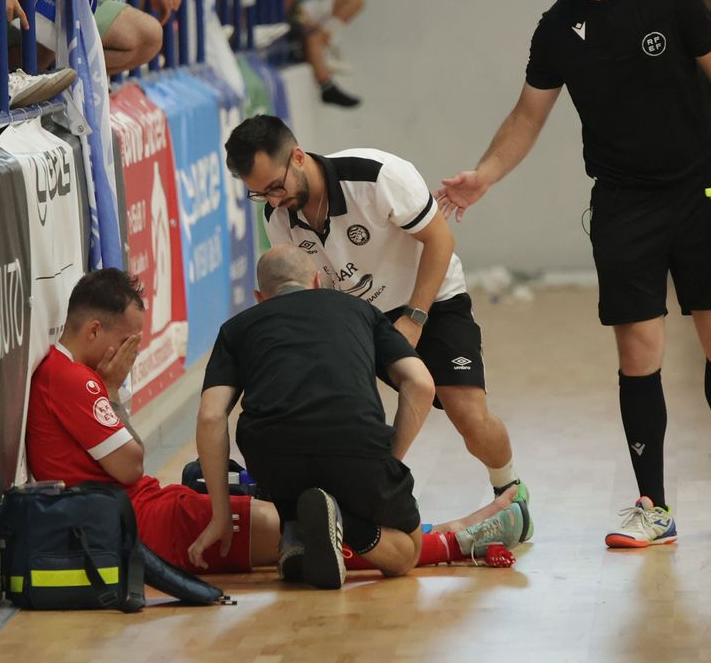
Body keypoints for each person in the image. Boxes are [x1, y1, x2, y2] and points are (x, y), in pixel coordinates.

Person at [437, 0, 711, 550]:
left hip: (701, 189)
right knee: (637, 350)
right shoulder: (557, 29)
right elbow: (527, 115)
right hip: (624, 201)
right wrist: (484, 173)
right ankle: (651, 502)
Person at [27, 268, 525, 582]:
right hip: (142, 523)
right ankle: (461, 539)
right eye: (129, 342)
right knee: (298, 529)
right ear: (94, 330)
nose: (130, 356)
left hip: (141, 513)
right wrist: (112, 390)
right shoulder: (76, 380)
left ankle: (449, 529)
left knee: (295, 519)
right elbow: (131, 465)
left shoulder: (65, 375)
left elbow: (206, 417)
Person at [224, 115, 532, 536]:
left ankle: (511, 492)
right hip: (359, 317)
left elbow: (440, 241)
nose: (274, 202)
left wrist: (415, 318)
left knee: (468, 416)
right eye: (260, 195)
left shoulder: (377, 176)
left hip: (432, 300)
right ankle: (371, 485)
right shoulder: (280, 218)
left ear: (297, 157)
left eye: (276, 187)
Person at [188, 248, 527, 589]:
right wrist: (390, 460)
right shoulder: (359, 310)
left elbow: (211, 416)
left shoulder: (236, 328)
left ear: (260, 298)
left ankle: (297, 523)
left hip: (273, 462)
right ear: (317, 281)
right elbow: (421, 383)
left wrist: (220, 516)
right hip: (355, 446)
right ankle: (345, 522)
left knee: (291, 478)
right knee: (406, 552)